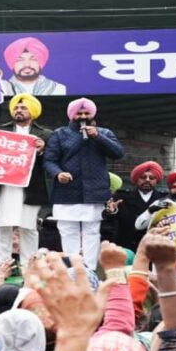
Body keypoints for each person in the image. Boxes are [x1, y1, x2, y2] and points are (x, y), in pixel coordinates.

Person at [45, 98, 124, 269]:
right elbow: (49, 160)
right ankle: (72, 268)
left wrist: (98, 137)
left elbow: (118, 153)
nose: (83, 116)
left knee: (92, 232)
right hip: (66, 191)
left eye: (86, 112)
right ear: (72, 115)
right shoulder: (59, 134)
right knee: (67, 231)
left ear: (92, 114)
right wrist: (58, 173)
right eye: (79, 113)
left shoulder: (104, 133)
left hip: (94, 191)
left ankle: (90, 270)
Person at [0, 94, 52, 265]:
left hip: (30, 188)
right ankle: (3, 265)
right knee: (1, 226)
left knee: (28, 227)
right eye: (16, 107)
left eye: (23, 107)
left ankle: (28, 266)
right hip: (2, 186)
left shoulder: (46, 135)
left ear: (33, 110)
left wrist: (44, 149)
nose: (19, 110)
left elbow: (52, 161)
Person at [104, 161, 167, 252]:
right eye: (143, 177)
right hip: (127, 247)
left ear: (157, 180)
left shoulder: (164, 198)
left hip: (155, 247)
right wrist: (112, 211)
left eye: (152, 177)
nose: (147, 180)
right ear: (136, 179)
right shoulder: (121, 197)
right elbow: (108, 221)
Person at [1, 37, 66, 96]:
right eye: (20, 60)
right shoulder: (3, 88)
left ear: (40, 62)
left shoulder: (58, 89)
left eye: (33, 59)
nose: (27, 64)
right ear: (12, 64)